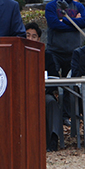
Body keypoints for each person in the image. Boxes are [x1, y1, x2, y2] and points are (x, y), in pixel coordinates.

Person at [25, 22, 59, 152]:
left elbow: (54, 77)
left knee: (51, 102)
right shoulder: (17, 54)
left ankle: (53, 139)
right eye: (27, 35)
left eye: (34, 36)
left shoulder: (47, 56)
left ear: (39, 39)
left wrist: (45, 89)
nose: (30, 39)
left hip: (43, 92)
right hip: (23, 93)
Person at [45, 0, 85, 77]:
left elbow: (84, 22)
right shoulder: (51, 6)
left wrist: (65, 20)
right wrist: (75, 23)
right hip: (55, 51)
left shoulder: (79, 6)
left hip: (74, 51)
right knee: (53, 78)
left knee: (72, 83)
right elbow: (54, 24)